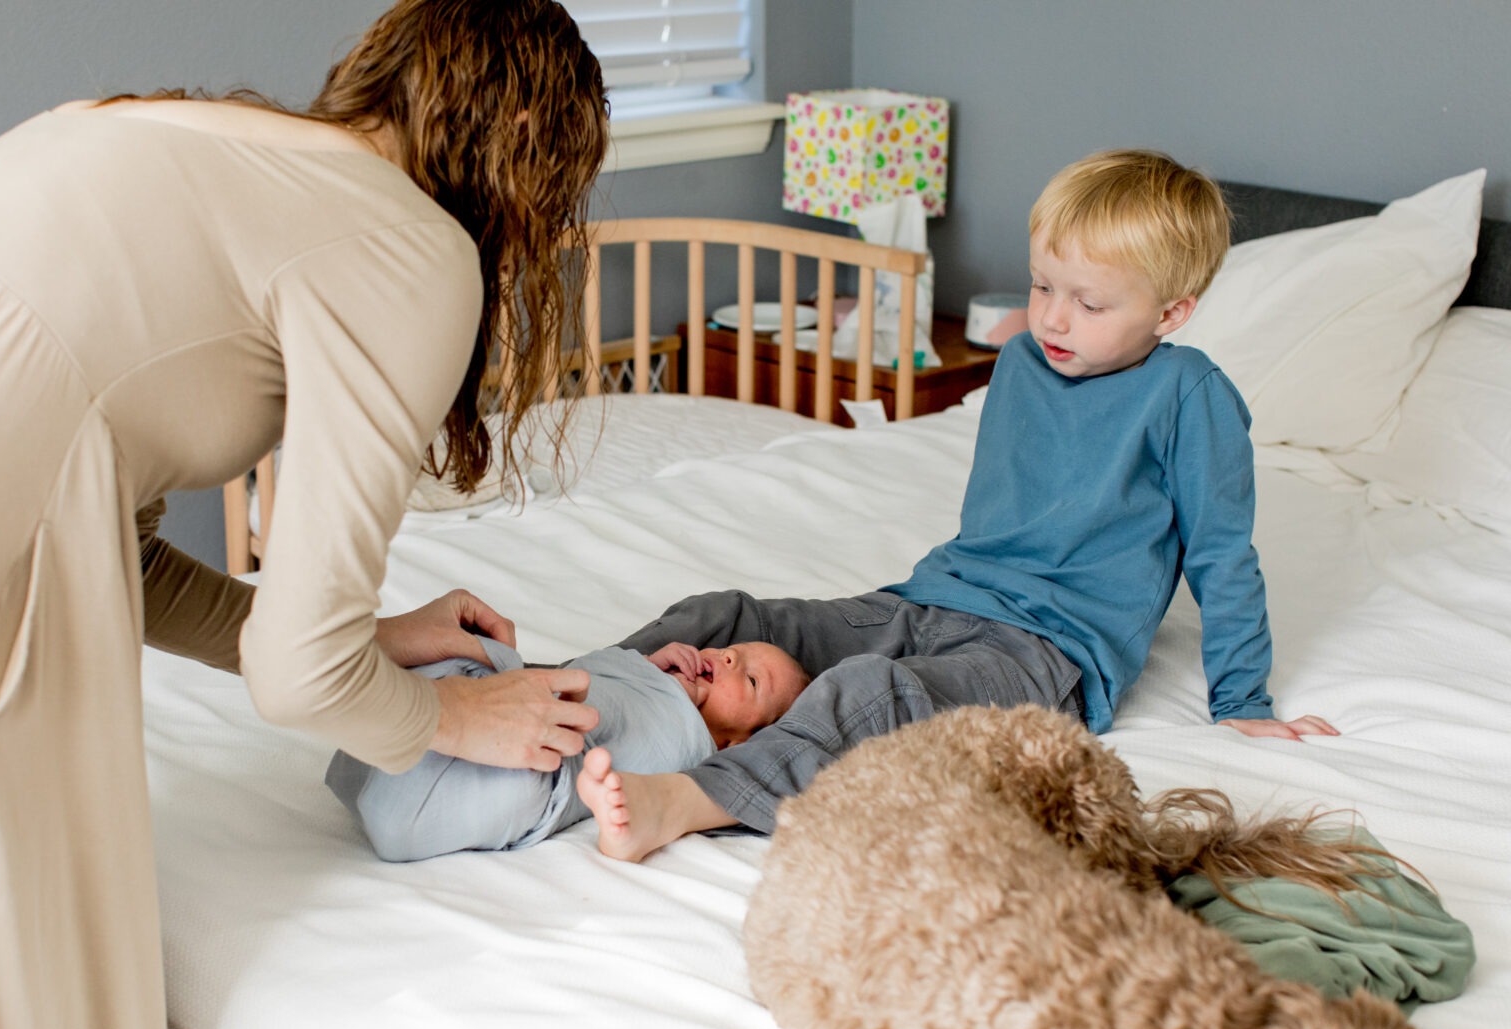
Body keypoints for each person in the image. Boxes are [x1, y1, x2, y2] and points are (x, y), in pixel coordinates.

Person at [0, 3, 609, 1029]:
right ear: (526, 146)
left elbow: (113, 556)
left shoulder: (166, 129)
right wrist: (460, 718)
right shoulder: (410, 248)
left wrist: (363, 637)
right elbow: (298, 678)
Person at [574, 149, 1339, 864]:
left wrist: (1243, 698)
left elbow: (1221, 552)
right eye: (1043, 286)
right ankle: (564, 692)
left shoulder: (1187, 394)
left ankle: (682, 801)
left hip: (1047, 650)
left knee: (868, 692)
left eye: (1089, 302)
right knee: (730, 613)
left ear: (1171, 314)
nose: (1054, 319)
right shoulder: (1019, 362)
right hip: (933, 597)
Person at [328, 638, 810, 860]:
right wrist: (643, 666)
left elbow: (637, 734)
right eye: (737, 648)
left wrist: (668, 692)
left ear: (739, 742)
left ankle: (401, 742)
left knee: (529, 779)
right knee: (473, 652)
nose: (728, 656)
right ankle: (380, 695)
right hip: (492, 709)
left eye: (749, 678)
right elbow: (592, 676)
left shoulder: (699, 752)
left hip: (548, 767)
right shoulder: (661, 677)